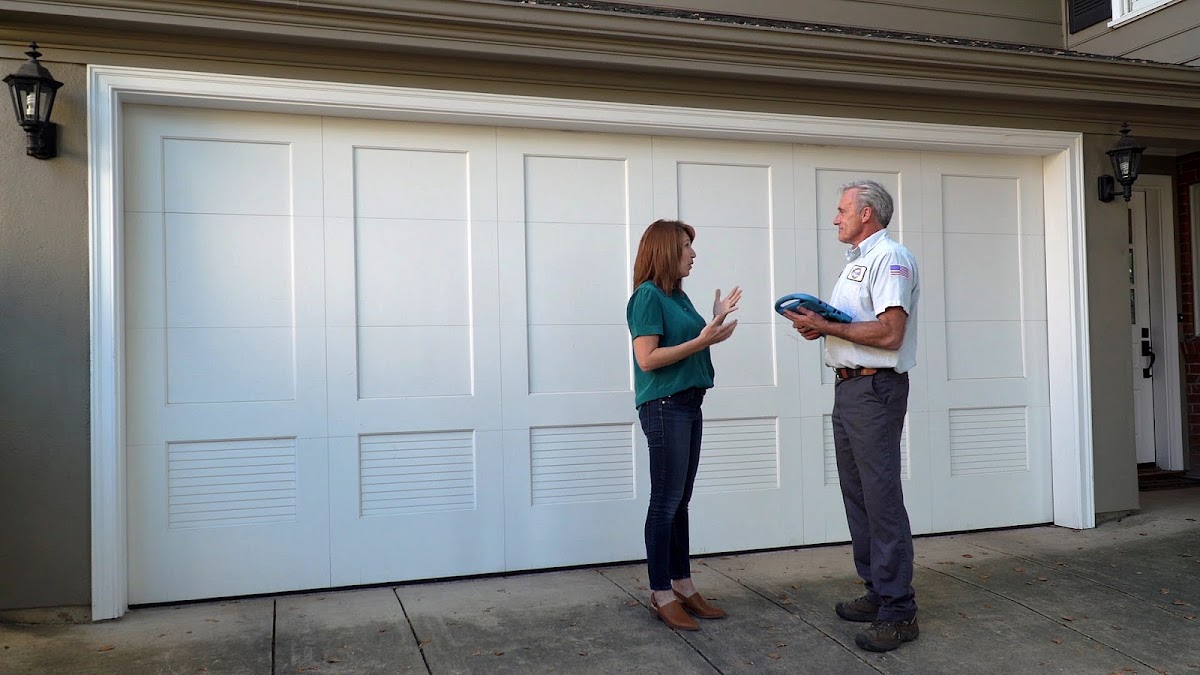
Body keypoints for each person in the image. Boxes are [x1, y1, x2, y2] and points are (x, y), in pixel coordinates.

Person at [783, 180, 921, 652]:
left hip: (875, 388)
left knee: (881, 499)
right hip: (849, 387)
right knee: (858, 495)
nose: (835, 217)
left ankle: (900, 611)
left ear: (867, 214)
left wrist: (828, 326)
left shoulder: (890, 258)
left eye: (842, 210)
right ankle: (877, 591)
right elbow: (855, 328)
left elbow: (890, 334)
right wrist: (823, 330)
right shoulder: (857, 265)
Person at [626, 219, 741, 631]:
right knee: (665, 501)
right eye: (686, 247)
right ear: (665, 252)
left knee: (680, 501)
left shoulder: (680, 296)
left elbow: (693, 343)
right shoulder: (647, 297)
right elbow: (648, 359)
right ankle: (660, 594)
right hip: (664, 406)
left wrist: (711, 323)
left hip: (689, 403)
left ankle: (683, 585)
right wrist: (703, 340)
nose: (694, 254)